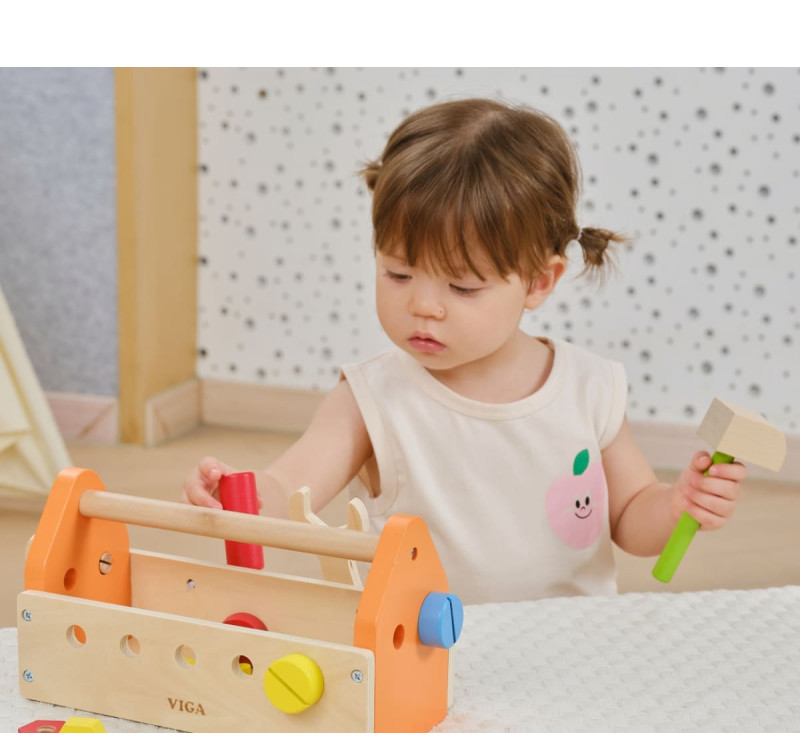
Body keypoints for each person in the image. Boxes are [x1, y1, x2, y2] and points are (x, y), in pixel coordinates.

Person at [181, 97, 746, 604]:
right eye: (398, 274)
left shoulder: (589, 388)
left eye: (462, 287)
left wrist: (677, 505)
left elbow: (630, 516)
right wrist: (243, 496)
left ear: (539, 282)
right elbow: (289, 487)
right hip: (420, 651)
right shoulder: (370, 398)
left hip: (568, 643)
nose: (424, 306)